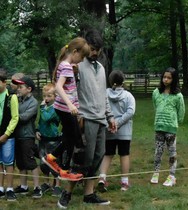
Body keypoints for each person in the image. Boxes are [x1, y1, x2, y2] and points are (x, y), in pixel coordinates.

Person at [57, 29, 117, 209]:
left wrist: (110, 116)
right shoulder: (77, 65)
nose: (95, 53)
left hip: (101, 120)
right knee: (83, 158)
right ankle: (66, 193)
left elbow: (103, 95)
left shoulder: (101, 68)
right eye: (92, 48)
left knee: (98, 157)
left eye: (97, 49)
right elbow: (67, 88)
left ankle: (89, 194)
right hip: (85, 118)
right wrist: (76, 114)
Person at [42, 37, 90, 181]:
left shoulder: (65, 65)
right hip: (65, 108)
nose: (81, 61)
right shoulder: (67, 66)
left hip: (62, 108)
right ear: (75, 52)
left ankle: (64, 169)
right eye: (81, 57)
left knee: (71, 138)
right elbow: (58, 87)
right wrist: (70, 104)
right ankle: (52, 158)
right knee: (73, 138)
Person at [97, 70, 136, 192]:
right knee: (124, 154)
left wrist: (111, 123)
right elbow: (130, 112)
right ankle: (124, 182)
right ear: (123, 81)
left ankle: (102, 178)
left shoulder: (104, 94)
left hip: (108, 129)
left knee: (108, 154)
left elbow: (100, 108)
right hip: (124, 132)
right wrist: (118, 124)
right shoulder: (128, 96)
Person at [150, 67, 185, 186]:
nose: (166, 80)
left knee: (172, 152)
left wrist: (176, 123)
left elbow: (181, 111)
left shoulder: (178, 96)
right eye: (164, 77)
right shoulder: (156, 92)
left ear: (174, 79)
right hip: (159, 126)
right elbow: (155, 106)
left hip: (171, 128)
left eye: (169, 78)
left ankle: (172, 175)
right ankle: (156, 172)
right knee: (158, 151)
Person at [12, 76, 42, 198]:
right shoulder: (18, 100)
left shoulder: (34, 103)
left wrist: (13, 114)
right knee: (20, 162)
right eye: (18, 87)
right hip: (17, 135)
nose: (18, 89)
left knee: (30, 161)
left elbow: (24, 117)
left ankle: (37, 187)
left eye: (21, 87)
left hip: (27, 136)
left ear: (29, 89)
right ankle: (23, 186)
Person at [36, 83, 62, 197]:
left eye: (49, 96)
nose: (46, 99)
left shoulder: (55, 108)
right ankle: (46, 182)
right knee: (43, 162)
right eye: (45, 96)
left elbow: (46, 118)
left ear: (55, 96)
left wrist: (42, 108)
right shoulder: (44, 107)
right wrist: (37, 129)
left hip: (53, 139)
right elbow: (40, 120)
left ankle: (57, 185)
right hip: (43, 138)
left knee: (53, 162)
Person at [0, 69, 19, 201]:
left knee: (8, 162)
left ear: (4, 82)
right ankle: (0, 187)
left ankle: (10, 188)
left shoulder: (12, 97)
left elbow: (15, 117)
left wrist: (6, 134)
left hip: (7, 136)